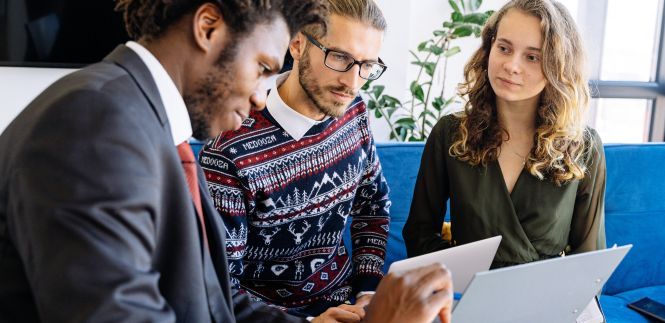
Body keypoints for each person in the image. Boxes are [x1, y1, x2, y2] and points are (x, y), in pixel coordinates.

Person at [0, 1, 453, 322]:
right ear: (208, 26)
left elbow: (212, 299)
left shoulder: (137, 117)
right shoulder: (94, 123)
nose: (261, 95)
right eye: (261, 67)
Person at [200, 0, 392, 320]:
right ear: (298, 45)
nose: (353, 82)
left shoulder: (354, 111)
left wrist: (368, 292)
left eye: (366, 65)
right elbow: (219, 287)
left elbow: (373, 205)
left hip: (348, 305)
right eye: (339, 57)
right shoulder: (228, 152)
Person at [404, 0, 606, 269]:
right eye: (504, 48)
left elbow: (589, 261)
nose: (511, 65)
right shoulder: (450, 133)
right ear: (489, 49)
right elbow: (419, 236)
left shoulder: (584, 147)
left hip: (546, 301)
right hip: (467, 294)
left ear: (558, 66)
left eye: (532, 57)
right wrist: (464, 278)